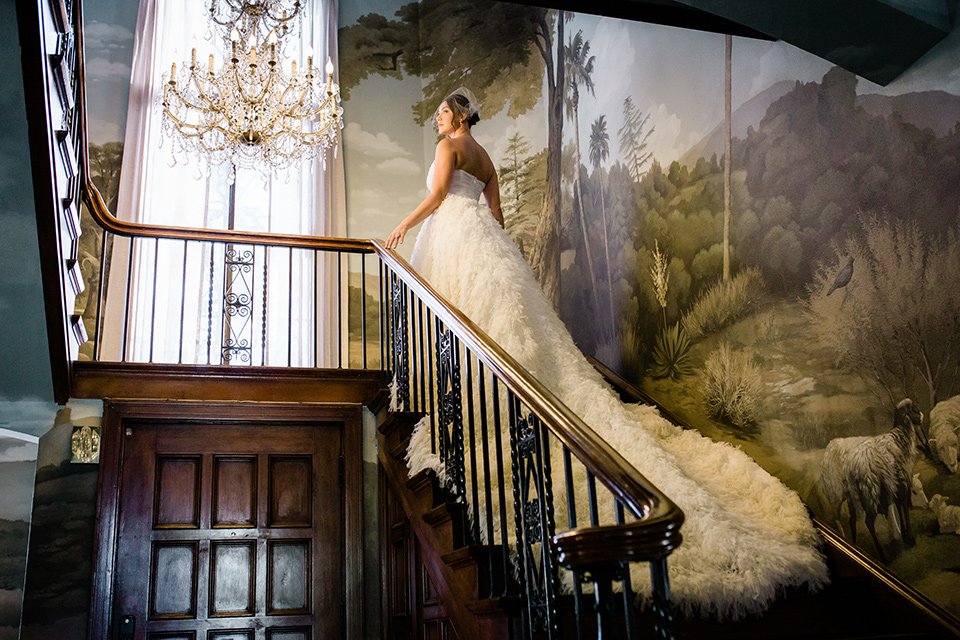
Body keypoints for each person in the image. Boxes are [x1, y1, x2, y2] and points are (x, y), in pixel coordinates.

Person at [386, 87, 828, 619]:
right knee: (496, 320)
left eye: (441, 111)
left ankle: (474, 398)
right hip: (481, 237)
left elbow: (438, 197)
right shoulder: (486, 158)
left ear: (457, 115)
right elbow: (497, 217)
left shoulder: (449, 149)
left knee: (455, 315)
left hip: (454, 234)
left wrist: (405, 225)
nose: (436, 117)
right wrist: (498, 259)